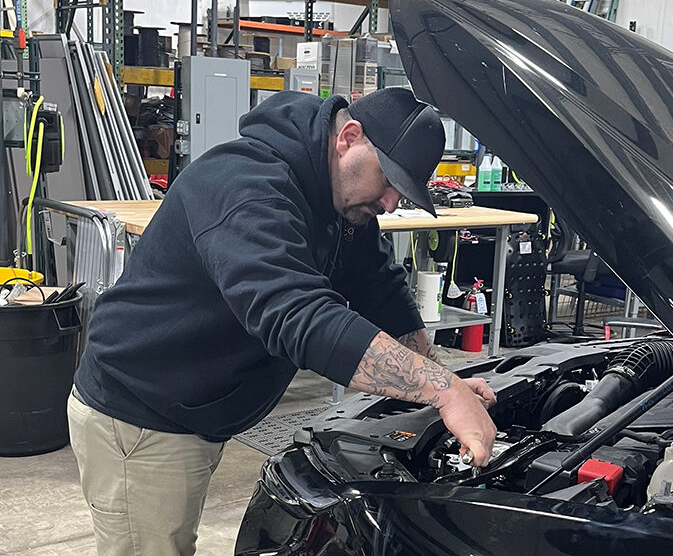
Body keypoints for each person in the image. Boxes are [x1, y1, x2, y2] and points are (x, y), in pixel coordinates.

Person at [67, 87, 497, 556]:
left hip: (197, 409)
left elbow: (380, 287)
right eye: (389, 180)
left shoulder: (339, 201)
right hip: (140, 415)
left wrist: (437, 376)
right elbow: (297, 316)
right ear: (348, 137)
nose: (391, 203)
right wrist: (440, 390)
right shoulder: (245, 185)